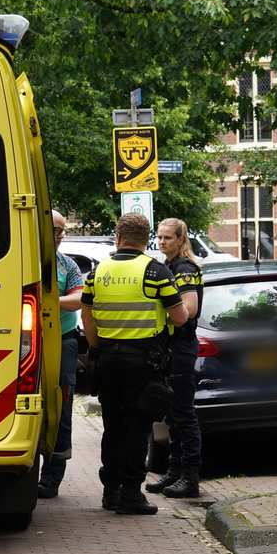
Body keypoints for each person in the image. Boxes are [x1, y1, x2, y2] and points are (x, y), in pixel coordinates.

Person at [81, 213, 190, 514]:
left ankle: (110, 492)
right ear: (147, 240)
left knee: (112, 427)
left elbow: (86, 315)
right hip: (143, 364)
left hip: (107, 361)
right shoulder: (155, 272)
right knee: (137, 428)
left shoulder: (98, 272)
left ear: (118, 236)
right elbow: (181, 317)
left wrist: (96, 347)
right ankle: (131, 494)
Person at [147, 218, 204, 498]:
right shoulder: (168, 266)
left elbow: (189, 309)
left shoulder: (184, 269)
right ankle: (174, 472)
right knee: (172, 415)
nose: (162, 242)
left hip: (181, 348)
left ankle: (190, 477)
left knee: (183, 414)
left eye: (168, 238)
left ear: (181, 240)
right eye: (159, 237)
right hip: (170, 348)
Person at [38, 211, 86, 498]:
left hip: (63, 341)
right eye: (56, 231)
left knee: (61, 404)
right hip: (31, 341)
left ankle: (52, 475)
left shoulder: (67, 266)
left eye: (62, 232)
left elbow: (79, 299)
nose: (60, 236)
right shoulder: (27, 259)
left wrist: (50, 301)